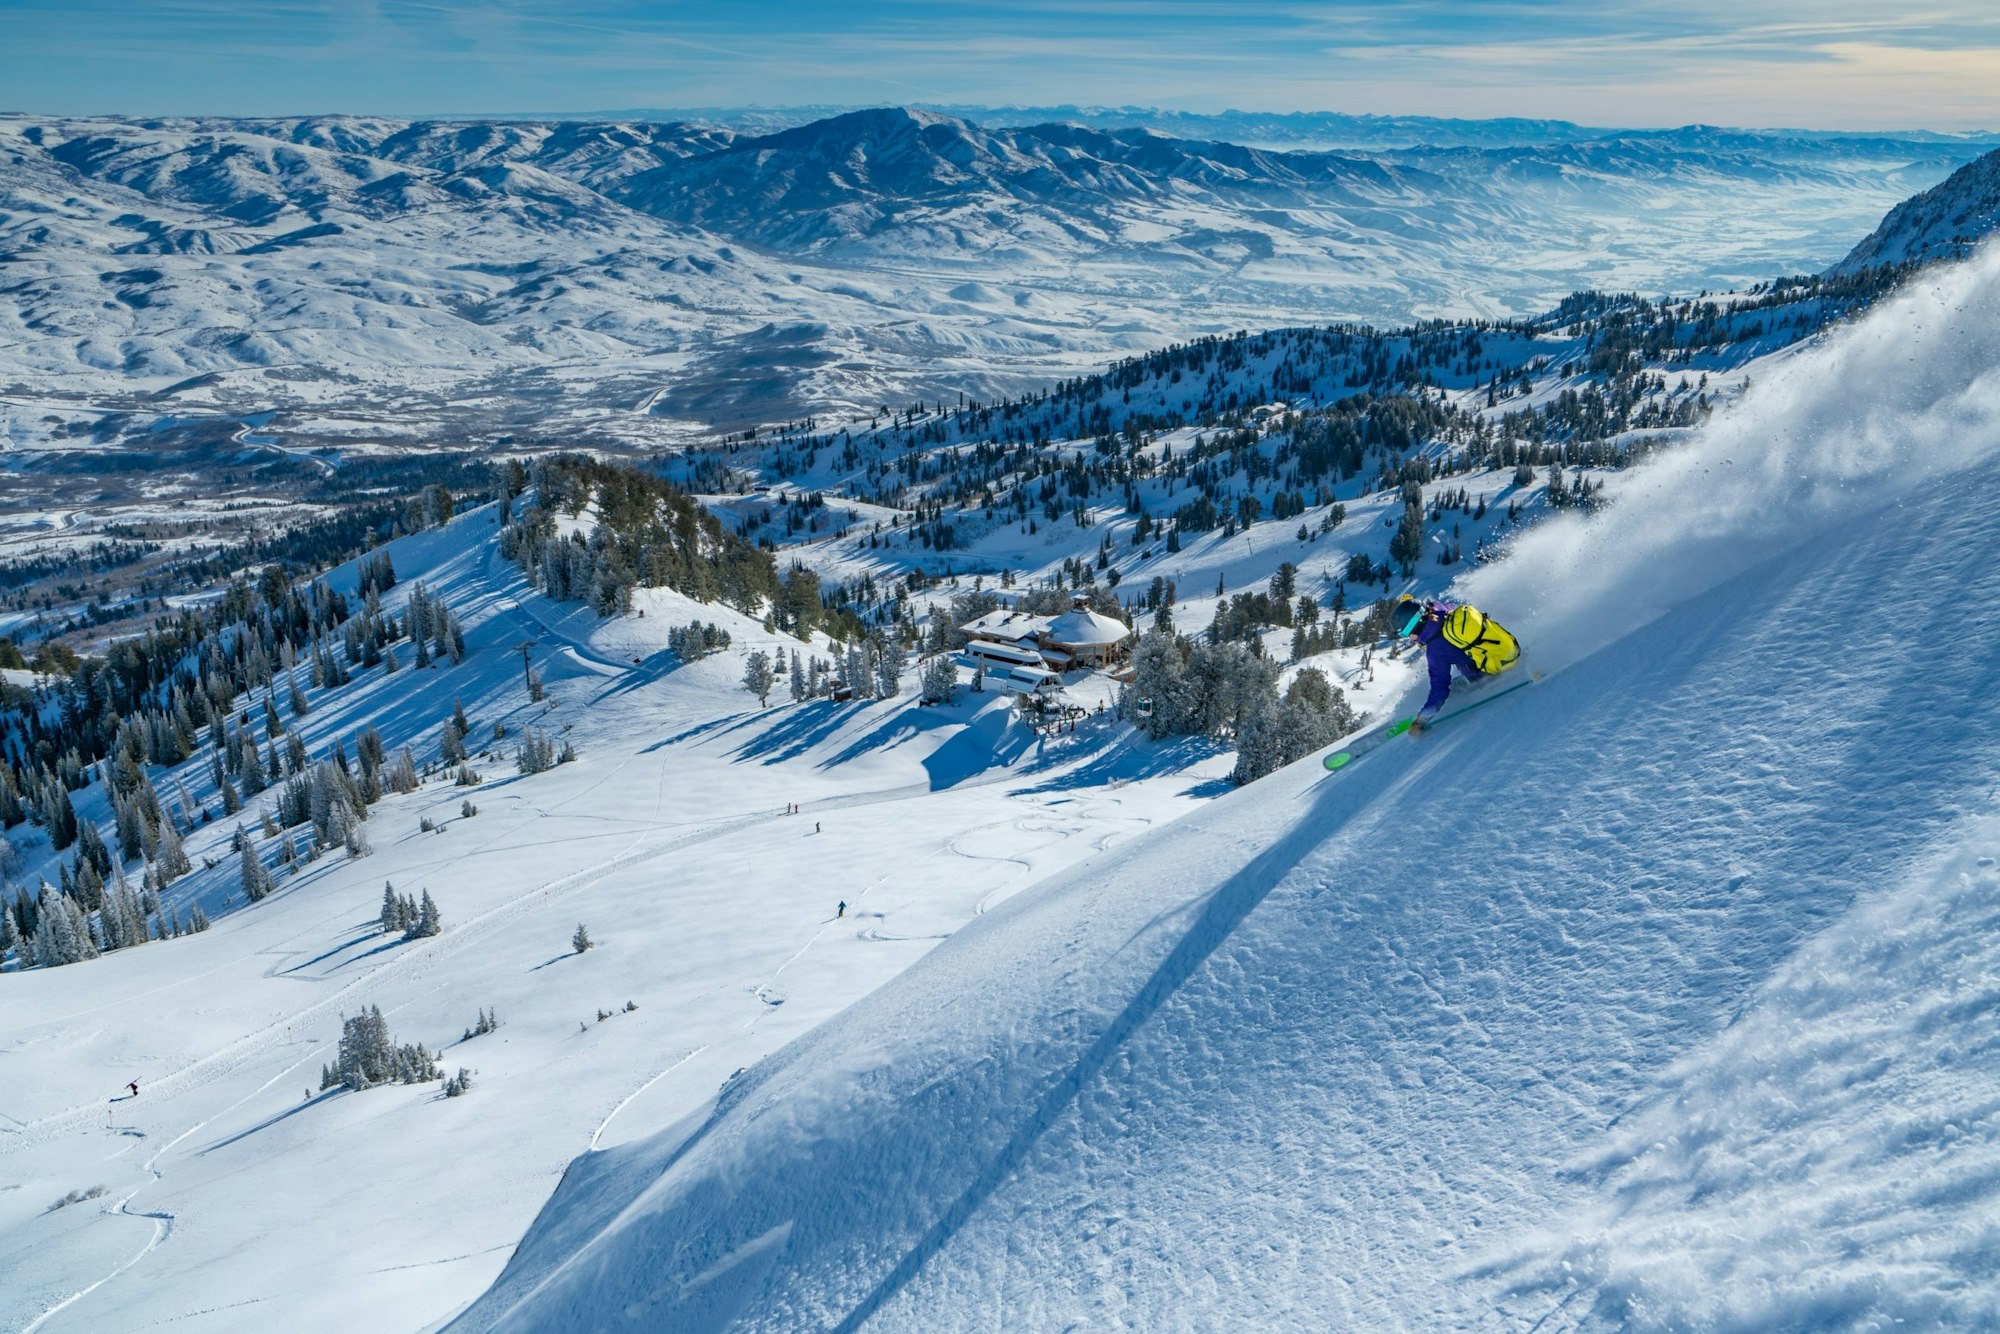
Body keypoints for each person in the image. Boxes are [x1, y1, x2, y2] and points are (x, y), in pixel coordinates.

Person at [1391, 594, 1519, 731]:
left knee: (1453, 691)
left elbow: (1440, 689)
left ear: (1416, 625)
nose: (1409, 638)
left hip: (1488, 672)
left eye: (1405, 633)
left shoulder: (1436, 649)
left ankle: (1423, 712)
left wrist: (1422, 719)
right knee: (1458, 682)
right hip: (1507, 647)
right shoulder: (1445, 611)